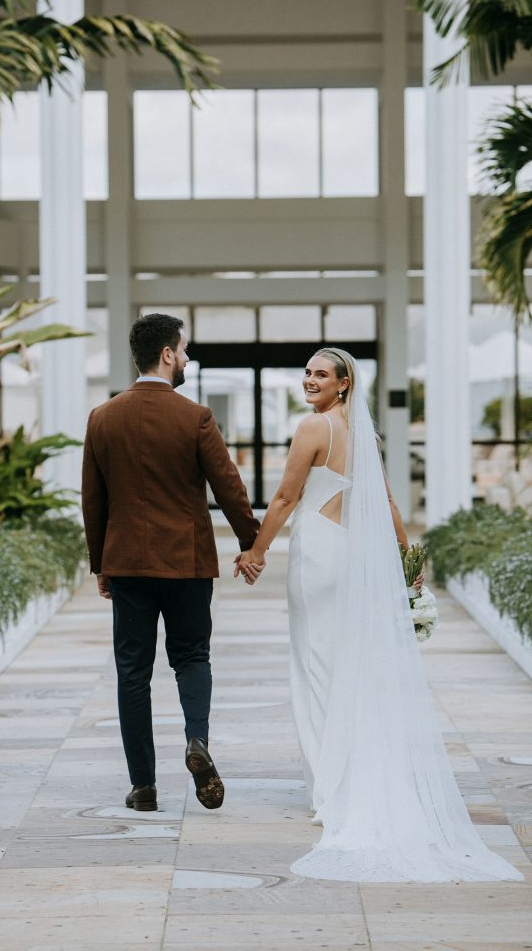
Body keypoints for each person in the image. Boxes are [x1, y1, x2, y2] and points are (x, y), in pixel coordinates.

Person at [236, 347, 522, 883]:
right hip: (352, 555)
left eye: (321, 374)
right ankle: (346, 774)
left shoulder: (313, 428)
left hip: (318, 552)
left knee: (314, 666)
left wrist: (256, 551)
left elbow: (283, 497)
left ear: (343, 384)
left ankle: (329, 787)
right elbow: (388, 502)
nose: (309, 381)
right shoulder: (365, 435)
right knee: (347, 663)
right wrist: (408, 559)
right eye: (307, 374)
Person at [82, 313, 260, 814]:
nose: (185, 358)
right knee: (192, 658)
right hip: (187, 562)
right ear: (166, 354)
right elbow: (229, 488)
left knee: (133, 673)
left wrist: (102, 564)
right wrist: (252, 543)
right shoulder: (196, 417)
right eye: (182, 350)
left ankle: (143, 787)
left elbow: (92, 501)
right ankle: (197, 741)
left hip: (129, 565)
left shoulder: (102, 417)